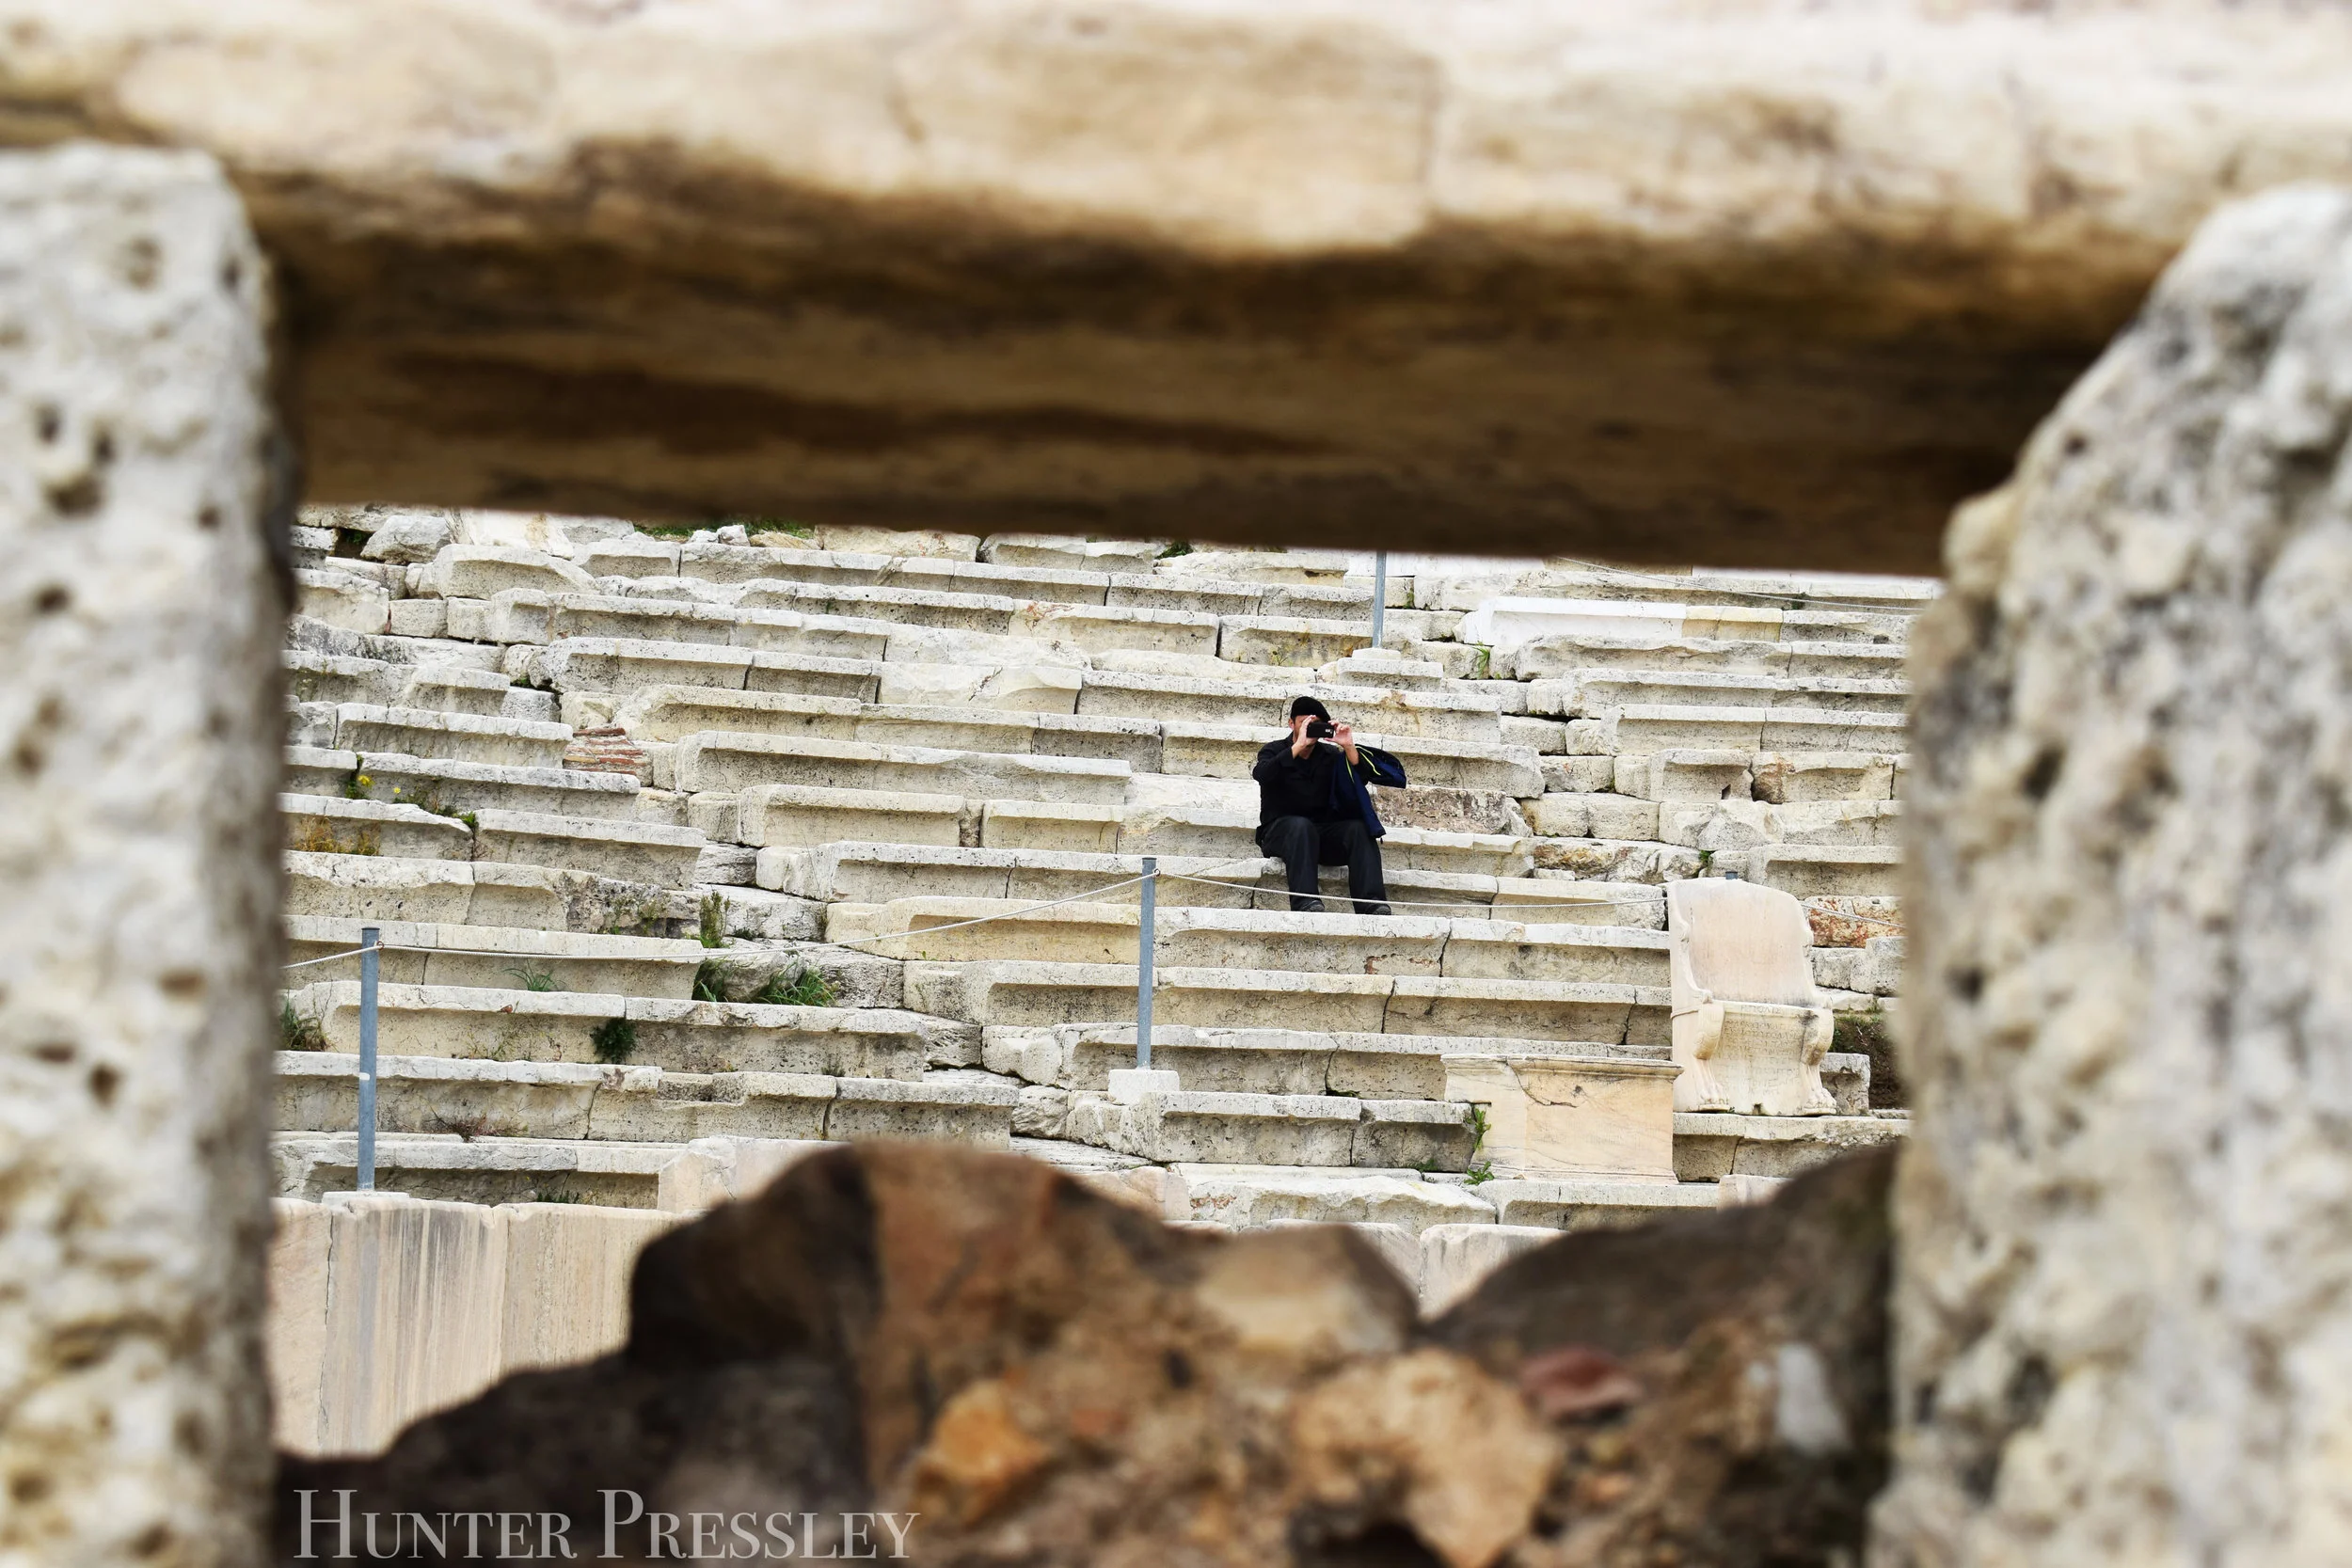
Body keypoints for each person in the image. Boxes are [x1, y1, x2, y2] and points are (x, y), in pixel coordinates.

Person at [1251, 696, 1406, 915]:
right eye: (1304, 723)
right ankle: (1305, 902)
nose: (1308, 729)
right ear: (1291, 724)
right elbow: (1263, 775)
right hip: (1279, 834)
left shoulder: (1331, 756)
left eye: (1314, 725)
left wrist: (1348, 746)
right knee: (1300, 826)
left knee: (1358, 829)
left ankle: (1371, 903)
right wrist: (1298, 746)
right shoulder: (1274, 750)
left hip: (1320, 838)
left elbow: (1360, 780)